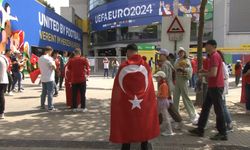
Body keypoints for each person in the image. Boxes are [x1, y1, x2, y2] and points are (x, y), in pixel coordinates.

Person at [110, 43, 160, 150]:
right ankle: (144, 145)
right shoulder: (146, 66)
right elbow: (150, 87)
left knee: (127, 123)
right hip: (143, 103)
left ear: (128, 52)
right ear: (137, 52)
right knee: (143, 123)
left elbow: (118, 88)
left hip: (127, 105)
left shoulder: (123, 66)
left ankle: (126, 146)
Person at [189, 40, 228, 141]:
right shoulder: (212, 56)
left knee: (218, 110)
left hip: (216, 86)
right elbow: (212, 72)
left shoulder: (214, 56)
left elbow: (213, 74)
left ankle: (222, 133)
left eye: (207, 45)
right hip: (213, 86)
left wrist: (202, 74)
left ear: (213, 46)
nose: (205, 47)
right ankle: (200, 129)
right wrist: (205, 71)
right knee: (206, 108)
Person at [173, 47, 199, 125]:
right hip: (177, 81)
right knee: (175, 98)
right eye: (179, 52)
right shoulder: (177, 60)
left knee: (186, 98)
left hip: (183, 80)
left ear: (184, 53)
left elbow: (190, 71)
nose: (181, 53)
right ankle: (176, 116)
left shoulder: (187, 60)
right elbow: (174, 68)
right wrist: (178, 68)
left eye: (182, 52)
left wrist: (184, 69)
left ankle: (193, 114)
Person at [159, 49, 183, 129]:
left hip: (165, 87)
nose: (160, 56)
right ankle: (160, 122)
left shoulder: (165, 65)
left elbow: (163, 77)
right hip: (168, 86)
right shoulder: (169, 63)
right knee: (164, 105)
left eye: (161, 55)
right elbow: (173, 72)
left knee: (167, 105)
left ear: (165, 56)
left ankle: (178, 120)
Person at [154, 71, 174, 136]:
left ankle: (169, 130)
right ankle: (158, 127)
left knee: (165, 117)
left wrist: (157, 95)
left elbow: (165, 95)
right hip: (160, 102)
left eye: (157, 77)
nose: (156, 78)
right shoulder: (162, 84)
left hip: (163, 102)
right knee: (157, 115)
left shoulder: (164, 85)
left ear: (161, 77)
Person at [217, 50, 233, 131]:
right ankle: (223, 123)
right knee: (221, 106)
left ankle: (229, 123)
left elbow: (226, 76)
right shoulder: (220, 63)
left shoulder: (222, 64)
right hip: (220, 87)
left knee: (222, 106)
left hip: (221, 87)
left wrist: (218, 78)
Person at [38, 46, 57, 112]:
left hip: (43, 77)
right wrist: (54, 64)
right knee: (50, 93)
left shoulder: (40, 58)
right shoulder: (49, 58)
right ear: (49, 51)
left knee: (43, 92)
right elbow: (54, 67)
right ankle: (50, 107)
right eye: (51, 51)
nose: (51, 53)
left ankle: (42, 105)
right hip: (49, 78)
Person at [0, 52, 9, 119]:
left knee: (1, 96)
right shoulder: (4, 58)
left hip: (1, 80)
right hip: (4, 80)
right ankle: (2, 112)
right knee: (1, 96)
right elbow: (7, 67)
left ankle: (1, 112)